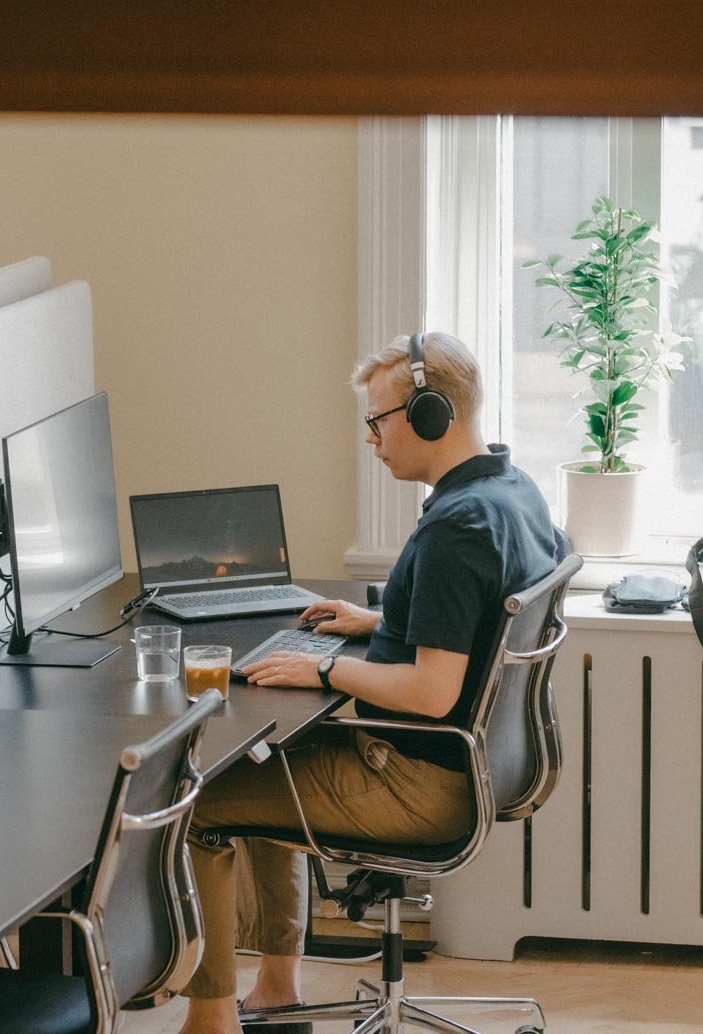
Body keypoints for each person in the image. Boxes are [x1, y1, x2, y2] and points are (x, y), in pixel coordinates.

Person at [174, 332, 567, 1034]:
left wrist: (322, 667)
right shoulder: (510, 492)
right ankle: (276, 988)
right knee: (263, 761)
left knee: (197, 796)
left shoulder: (457, 528)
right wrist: (380, 620)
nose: (370, 439)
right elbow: (469, 623)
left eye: (378, 421)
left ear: (430, 417)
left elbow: (432, 693)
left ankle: (210, 1020)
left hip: (414, 783)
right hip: (479, 768)